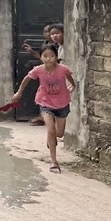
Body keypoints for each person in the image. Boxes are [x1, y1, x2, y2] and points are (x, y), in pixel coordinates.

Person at [11, 44, 77, 174]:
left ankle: (51, 138)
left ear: (56, 57)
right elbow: (26, 79)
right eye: (45, 56)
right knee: (51, 129)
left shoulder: (63, 69)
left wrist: (73, 86)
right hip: (45, 101)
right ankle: (54, 162)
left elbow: (69, 78)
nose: (48, 59)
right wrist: (19, 92)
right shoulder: (38, 70)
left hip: (62, 102)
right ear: (41, 57)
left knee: (59, 133)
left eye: (51, 56)